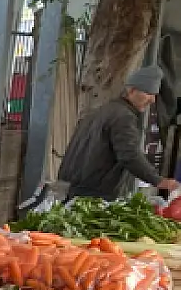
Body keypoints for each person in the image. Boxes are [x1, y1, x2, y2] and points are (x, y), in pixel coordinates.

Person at [57, 66, 181, 201]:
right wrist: (159, 181)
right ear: (132, 90)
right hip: (92, 192)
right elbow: (130, 155)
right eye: (148, 93)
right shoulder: (123, 117)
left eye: (154, 95)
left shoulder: (104, 110)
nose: (152, 100)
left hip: (72, 186)